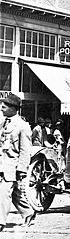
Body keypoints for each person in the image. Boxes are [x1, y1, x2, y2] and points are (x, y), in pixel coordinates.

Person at [0, 93, 36, 231]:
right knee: (15, 195)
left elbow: (25, 150)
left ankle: (0, 222)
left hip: (12, 166)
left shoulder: (23, 126)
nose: (1, 109)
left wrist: (22, 169)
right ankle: (28, 213)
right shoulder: (2, 124)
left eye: (4, 107)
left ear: (13, 108)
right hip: (2, 164)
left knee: (3, 193)